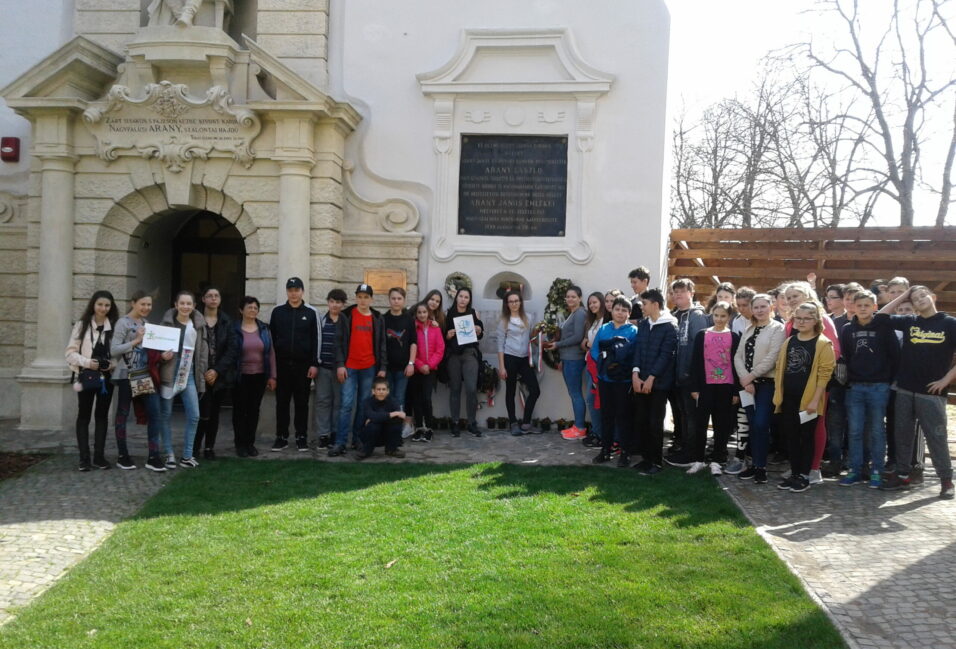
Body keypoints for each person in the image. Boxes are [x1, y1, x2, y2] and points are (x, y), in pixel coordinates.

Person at [878, 285, 956, 498]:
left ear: (933, 297)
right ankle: (903, 475)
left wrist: (945, 379)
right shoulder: (909, 321)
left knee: (936, 436)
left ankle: (946, 480)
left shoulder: (949, 324)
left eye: (923, 295)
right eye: (915, 298)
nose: (920, 299)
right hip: (905, 388)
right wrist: (905, 295)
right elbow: (881, 316)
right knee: (902, 434)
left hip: (931, 393)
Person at [838, 289, 899, 489]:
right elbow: (846, 356)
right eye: (859, 305)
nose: (863, 309)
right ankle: (855, 469)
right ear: (852, 307)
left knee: (876, 431)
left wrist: (889, 381)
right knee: (854, 431)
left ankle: (877, 471)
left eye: (867, 305)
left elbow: (894, 356)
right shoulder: (847, 329)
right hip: (855, 387)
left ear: (875, 307)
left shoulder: (884, 328)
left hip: (879, 387)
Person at [773, 303, 835, 493]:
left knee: (806, 437)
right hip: (789, 397)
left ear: (816, 320)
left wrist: (815, 400)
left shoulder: (823, 343)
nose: (801, 321)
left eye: (806, 318)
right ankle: (795, 472)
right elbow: (780, 367)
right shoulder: (789, 341)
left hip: (808, 399)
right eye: (798, 318)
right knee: (791, 436)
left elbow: (825, 374)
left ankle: (805, 475)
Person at [110, 291, 165, 472]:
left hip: (144, 376)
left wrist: (162, 355)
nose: (146, 308)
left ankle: (153, 456)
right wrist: (136, 340)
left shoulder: (147, 323)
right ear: (133, 303)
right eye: (142, 304)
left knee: (154, 414)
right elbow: (114, 350)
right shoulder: (122, 322)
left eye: (149, 305)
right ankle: (123, 455)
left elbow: (151, 351)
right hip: (126, 375)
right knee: (123, 414)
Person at [735, 294, 786, 484]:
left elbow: (773, 356)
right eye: (756, 307)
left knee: (761, 424)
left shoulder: (777, 329)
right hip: (747, 386)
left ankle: (761, 467)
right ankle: (753, 464)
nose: (759, 310)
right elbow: (738, 356)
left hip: (766, 384)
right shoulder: (749, 328)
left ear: (771, 307)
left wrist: (752, 375)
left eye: (763, 306)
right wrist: (745, 380)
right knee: (752, 425)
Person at [66, 290, 119, 471]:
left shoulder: (114, 326)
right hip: (86, 376)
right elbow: (70, 353)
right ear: (93, 305)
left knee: (102, 416)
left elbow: (119, 354)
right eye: (100, 304)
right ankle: (84, 459)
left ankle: (99, 457)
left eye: (107, 305)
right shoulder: (82, 325)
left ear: (111, 307)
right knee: (84, 416)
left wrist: (111, 364)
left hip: (107, 378)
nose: (103, 309)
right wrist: (88, 363)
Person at [332, 283, 387, 456]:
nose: (363, 300)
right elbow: (339, 342)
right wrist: (340, 364)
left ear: (371, 299)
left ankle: (358, 440)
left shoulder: (378, 317)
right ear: (356, 298)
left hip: (369, 367)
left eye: (366, 297)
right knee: (346, 405)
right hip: (350, 366)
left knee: (363, 406)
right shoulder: (346, 315)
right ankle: (340, 442)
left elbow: (382, 344)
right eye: (360, 297)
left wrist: (383, 367)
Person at [688, 302, 740, 475]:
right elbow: (695, 362)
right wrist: (694, 387)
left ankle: (717, 460)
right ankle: (698, 460)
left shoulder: (734, 337)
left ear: (729, 317)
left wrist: (735, 391)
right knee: (700, 425)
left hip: (725, 387)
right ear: (711, 314)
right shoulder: (702, 335)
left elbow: (736, 364)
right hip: (705, 387)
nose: (719, 319)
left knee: (722, 426)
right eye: (716, 315)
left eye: (723, 316)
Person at [158, 290, 209, 468]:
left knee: (194, 415)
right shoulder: (166, 324)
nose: (185, 306)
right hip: (168, 374)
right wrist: (161, 356)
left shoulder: (198, 325)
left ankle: (187, 455)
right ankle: (169, 454)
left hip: (189, 374)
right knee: (165, 415)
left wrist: (202, 374)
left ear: (194, 306)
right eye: (182, 303)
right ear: (176, 304)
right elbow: (155, 349)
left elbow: (202, 353)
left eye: (189, 303)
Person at [630, 288, 677, 475]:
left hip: (659, 384)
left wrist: (651, 378)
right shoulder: (643, 325)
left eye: (645, 304)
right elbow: (639, 350)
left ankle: (656, 462)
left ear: (655, 305)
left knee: (654, 423)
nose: (642, 307)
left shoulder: (670, 326)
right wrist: (635, 374)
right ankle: (646, 459)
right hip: (640, 381)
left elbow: (666, 356)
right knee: (642, 421)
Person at [664, 278, 711, 467]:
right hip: (676, 376)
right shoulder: (674, 315)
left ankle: (692, 453)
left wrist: (693, 377)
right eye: (675, 292)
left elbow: (699, 348)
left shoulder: (697, 316)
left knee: (691, 416)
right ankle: (684, 447)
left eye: (682, 292)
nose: (678, 295)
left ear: (691, 293)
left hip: (690, 376)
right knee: (682, 415)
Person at [269, 277, 319, 452]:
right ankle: (281, 437)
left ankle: (301, 437)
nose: (294, 293)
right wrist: (272, 371)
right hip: (282, 366)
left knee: (302, 403)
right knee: (281, 403)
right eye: (291, 290)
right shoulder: (278, 312)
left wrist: (314, 364)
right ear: (287, 292)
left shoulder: (311, 313)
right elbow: (272, 341)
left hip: (303, 367)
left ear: (302, 291)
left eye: (297, 289)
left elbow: (315, 341)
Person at [590, 297, 639, 465]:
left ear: (629, 313)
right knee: (607, 416)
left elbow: (635, 355)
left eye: (624, 310)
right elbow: (594, 350)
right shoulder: (604, 329)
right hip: (605, 379)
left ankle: (625, 453)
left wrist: (621, 366)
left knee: (624, 416)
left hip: (624, 381)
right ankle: (605, 451)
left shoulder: (633, 331)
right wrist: (604, 363)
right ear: (611, 310)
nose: (620, 313)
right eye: (617, 309)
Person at [193, 287, 238, 460]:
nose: (213, 299)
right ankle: (194, 447)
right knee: (198, 413)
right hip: (198, 374)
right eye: (209, 296)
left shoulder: (226, 321)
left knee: (213, 413)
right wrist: (203, 371)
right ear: (203, 299)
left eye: (216, 296)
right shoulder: (194, 320)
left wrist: (217, 370)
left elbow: (232, 349)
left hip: (218, 375)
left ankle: (209, 447)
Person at [232, 296, 276, 457]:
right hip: (240, 376)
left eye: (255, 308)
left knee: (253, 410)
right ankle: (240, 444)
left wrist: (273, 376)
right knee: (240, 411)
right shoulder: (234, 329)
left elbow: (270, 353)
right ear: (241, 310)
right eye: (249, 307)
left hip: (259, 376)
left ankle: (250, 443)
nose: (252, 310)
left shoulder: (264, 329)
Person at [544, 285, 588, 439]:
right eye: (568, 297)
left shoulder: (580, 313)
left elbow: (577, 337)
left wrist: (558, 345)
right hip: (567, 358)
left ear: (580, 298)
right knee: (573, 393)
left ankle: (580, 428)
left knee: (575, 394)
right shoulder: (573, 313)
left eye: (573, 297)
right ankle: (577, 426)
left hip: (574, 358)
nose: (570, 299)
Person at [496, 290, 540, 435]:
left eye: (516, 301)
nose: (514, 304)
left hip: (524, 359)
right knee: (510, 391)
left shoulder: (527, 318)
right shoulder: (504, 321)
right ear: (507, 304)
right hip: (509, 358)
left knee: (535, 390)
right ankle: (513, 423)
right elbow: (500, 345)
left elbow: (532, 337)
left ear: (520, 302)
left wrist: (540, 332)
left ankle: (526, 423)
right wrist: (502, 367)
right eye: (511, 301)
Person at [443, 287, 484, 437]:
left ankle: (471, 422)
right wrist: (448, 335)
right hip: (453, 355)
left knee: (471, 389)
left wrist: (478, 329)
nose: (463, 299)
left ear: (469, 299)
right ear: (456, 297)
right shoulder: (448, 313)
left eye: (466, 297)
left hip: (469, 354)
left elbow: (480, 334)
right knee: (454, 389)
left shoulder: (473, 313)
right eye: (461, 296)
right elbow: (443, 337)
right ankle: (455, 422)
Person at [313, 289, 347, 449]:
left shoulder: (346, 321)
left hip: (340, 370)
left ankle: (335, 433)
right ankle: (323, 435)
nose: (335, 305)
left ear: (343, 304)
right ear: (328, 302)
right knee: (322, 402)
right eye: (332, 301)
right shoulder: (321, 320)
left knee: (339, 403)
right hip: (323, 368)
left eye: (338, 302)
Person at [408, 302, 444, 441]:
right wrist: (420, 364)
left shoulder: (436, 329)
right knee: (416, 400)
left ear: (428, 313)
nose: (422, 315)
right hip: (417, 369)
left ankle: (429, 427)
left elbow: (440, 350)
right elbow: (410, 348)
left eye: (424, 312)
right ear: (416, 314)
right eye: (419, 312)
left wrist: (429, 365)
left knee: (426, 399)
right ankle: (418, 428)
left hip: (430, 370)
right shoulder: (413, 329)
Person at [382, 287, 417, 424]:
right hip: (387, 367)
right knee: (386, 398)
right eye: (393, 298)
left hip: (403, 368)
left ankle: (396, 429)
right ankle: (386, 428)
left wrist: (411, 363)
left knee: (399, 398)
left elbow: (413, 343)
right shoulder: (383, 319)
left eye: (399, 298)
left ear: (404, 300)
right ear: (389, 300)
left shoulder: (409, 320)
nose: (396, 301)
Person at [356, 377, 406, 460]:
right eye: (378, 389)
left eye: (383, 389)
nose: (381, 392)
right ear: (373, 391)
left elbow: (401, 417)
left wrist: (377, 418)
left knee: (397, 421)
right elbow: (373, 416)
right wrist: (393, 414)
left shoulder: (393, 401)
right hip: (369, 435)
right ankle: (366, 450)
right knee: (373, 425)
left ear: (388, 391)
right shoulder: (367, 402)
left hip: (386, 434)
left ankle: (391, 449)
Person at [581, 292, 607, 447]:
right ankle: (597, 432)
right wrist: (588, 345)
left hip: (598, 365)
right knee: (592, 400)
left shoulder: (605, 321)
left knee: (593, 400)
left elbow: (600, 343)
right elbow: (584, 343)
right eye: (590, 303)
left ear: (601, 302)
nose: (592, 305)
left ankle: (600, 434)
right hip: (588, 363)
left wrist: (590, 345)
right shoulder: (592, 321)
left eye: (595, 302)